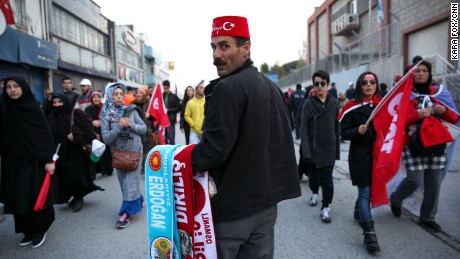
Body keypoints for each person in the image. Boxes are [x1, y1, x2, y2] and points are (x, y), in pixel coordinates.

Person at [191, 16, 301, 258]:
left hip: (232, 209)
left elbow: (212, 151)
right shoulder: (270, 87)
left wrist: (176, 159)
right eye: (213, 47)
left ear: (246, 48)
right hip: (265, 206)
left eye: (224, 46)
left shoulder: (228, 88)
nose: (216, 55)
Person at [389, 60, 460, 232]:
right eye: (417, 71)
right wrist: (418, 114)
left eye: (424, 71)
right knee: (415, 179)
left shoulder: (441, 93)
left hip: (436, 143)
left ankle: (428, 217)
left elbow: (455, 119)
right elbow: (398, 120)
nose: (421, 73)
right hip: (413, 144)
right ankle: (396, 199)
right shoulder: (404, 94)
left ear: (429, 74)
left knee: (434, 182)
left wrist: (445, 111)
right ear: (411, 75)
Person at [0, 76, 56, 248]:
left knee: (33, 196)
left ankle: (40, 229)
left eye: (16, 86)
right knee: (18, 198)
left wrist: (49, 160)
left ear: (23, 87)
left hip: (34, 162)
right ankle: (27, 231)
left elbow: (45, 136)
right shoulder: (4, 108)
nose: (12, 90)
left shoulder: (33, 109)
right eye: (8, 87)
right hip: (12, 161)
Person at [340, 72, 381, 254]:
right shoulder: (351, 107)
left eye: (372, 82)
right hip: (359, 156)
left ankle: (358, 209)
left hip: (377, 156)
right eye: (365, 82)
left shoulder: (383, 105)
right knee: (365, 192)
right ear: (359, 86)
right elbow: (343, 133)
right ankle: (369, 234)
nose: (369, 85)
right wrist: (357, 130)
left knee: (368, 192)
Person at [101, 83, 147, 229]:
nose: (119, 96)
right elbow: (107, 138)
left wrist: (131, 125)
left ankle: (126, 214)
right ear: (109, 96)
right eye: (115, 94)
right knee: (124, 184)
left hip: (134, 153)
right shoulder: (105, 115)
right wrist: (119, 125)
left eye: (121, 94)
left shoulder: (131, 110)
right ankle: (138, 198)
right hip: (118, 154)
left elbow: (143, 129)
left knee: (129, 183)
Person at [48, 93, 103, 212]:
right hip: (60, 153)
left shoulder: (76, 114)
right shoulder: (52, 117)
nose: (57, 105)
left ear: (65, 102)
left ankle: (79, 197)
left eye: (60, 102)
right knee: (65, 176)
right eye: (54, 103)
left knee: (76, 175)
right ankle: (72, 196)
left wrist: (76, 136)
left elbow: (89, 133)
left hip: (76, 151)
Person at [300, 70, 340, 223]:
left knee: (327, 180)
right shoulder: (308, 103)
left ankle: (326, 207)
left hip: (328, 149)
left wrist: (336, 150)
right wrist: (306, 150)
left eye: (322, 83)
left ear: (327, 84)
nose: (319, 86)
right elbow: (303, 128)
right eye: (316, 84)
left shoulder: (334, 103)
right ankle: (314, 192)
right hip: (313, 149)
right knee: (314, 177)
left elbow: (337, 128)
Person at [85, 91, 113, 179]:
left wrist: (102, 122)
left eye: (98, 97)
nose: (96, 99)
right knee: (94, 151)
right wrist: (92, 122)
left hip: (104, 131)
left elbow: (111, 119)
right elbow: (85, 120)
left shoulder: (104, 108)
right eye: (94, 97)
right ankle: (92, 173)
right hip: (93, 132)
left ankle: (107, 169)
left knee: (105, 151)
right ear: (91, 99)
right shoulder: (87, 109)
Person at [132, 88, 155, 173]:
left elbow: (156, 116)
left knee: (146, 148)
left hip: (146, 129)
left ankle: (145, 166)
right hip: (135, 128)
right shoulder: (132, 104)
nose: (138, 94)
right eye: (137, 93)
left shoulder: (149, 104)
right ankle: (136, 165)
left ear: (144, 94)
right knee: (136, 147)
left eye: (140, 93)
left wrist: (150, 116)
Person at [162, 80, 180, 144]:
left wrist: (169, 110)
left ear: (169, 87)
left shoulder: (174, 96)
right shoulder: (161, 96)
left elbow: (178, 108)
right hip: (163, 121)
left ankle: (172, 152)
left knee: (171, 137)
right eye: (164, 88)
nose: (165, 90)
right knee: (164, 138)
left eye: (167, 88)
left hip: (171, 120)